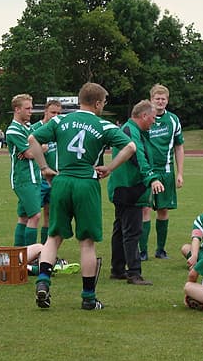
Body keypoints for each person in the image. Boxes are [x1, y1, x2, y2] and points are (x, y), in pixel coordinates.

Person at [28, 82, 136, 310]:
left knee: (53, 237)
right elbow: (130, 147)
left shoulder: (59, 120)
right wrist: (110, 168)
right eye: (103, 102)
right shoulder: (103, 125)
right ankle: (88, 298)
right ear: (97, 103)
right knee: (87, 244)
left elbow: (33, 140)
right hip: (86, 183)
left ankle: (43, 282)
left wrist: (44, 167)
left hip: (62, 181)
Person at [108, 100, 165, 285]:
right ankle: (134, 273)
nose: (154, 122)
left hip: (123, 187)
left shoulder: (132, 130)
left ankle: (117, 269)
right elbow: (138, 156)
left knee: (120, 230)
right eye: (153, 119)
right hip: (130, 188)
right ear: (144, 116)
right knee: (132, 231)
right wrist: (151, 178)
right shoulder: (130, 131)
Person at [140, 84, 184, 260]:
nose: (160, 101)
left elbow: (179, 147)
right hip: (147, 172)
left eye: (163, 99)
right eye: (157, 98)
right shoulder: (144, 118)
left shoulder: (173, 120)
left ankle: (160, 249)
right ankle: (142, 251)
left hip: (166, 171)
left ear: (167, 100)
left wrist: (180, 173)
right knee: (145, 209)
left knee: (163, 210)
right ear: (151, 99)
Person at [6, 94, 42, 247]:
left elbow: (31, 151)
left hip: (33, 177)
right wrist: (40, 149)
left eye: (31, 108)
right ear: (17, 109)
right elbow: (30, 153)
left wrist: (34, 149)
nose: (30, 111)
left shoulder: (27, 128)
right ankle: (30, 254)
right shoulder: (13, 130)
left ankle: (18, 252)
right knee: (35, 216)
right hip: (24, 178)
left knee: (24, 217)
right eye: (27, 108)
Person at [31, 99, 63, 244]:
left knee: (49, 215)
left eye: (58, 113)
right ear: (45, 112)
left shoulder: (61, 129)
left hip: (54, 178)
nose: (55, 116)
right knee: (32, 215)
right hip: (37, 178)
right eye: (53, 112)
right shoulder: (35, 129)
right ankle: (28, 252)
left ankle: (44, 250)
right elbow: (25, 152)